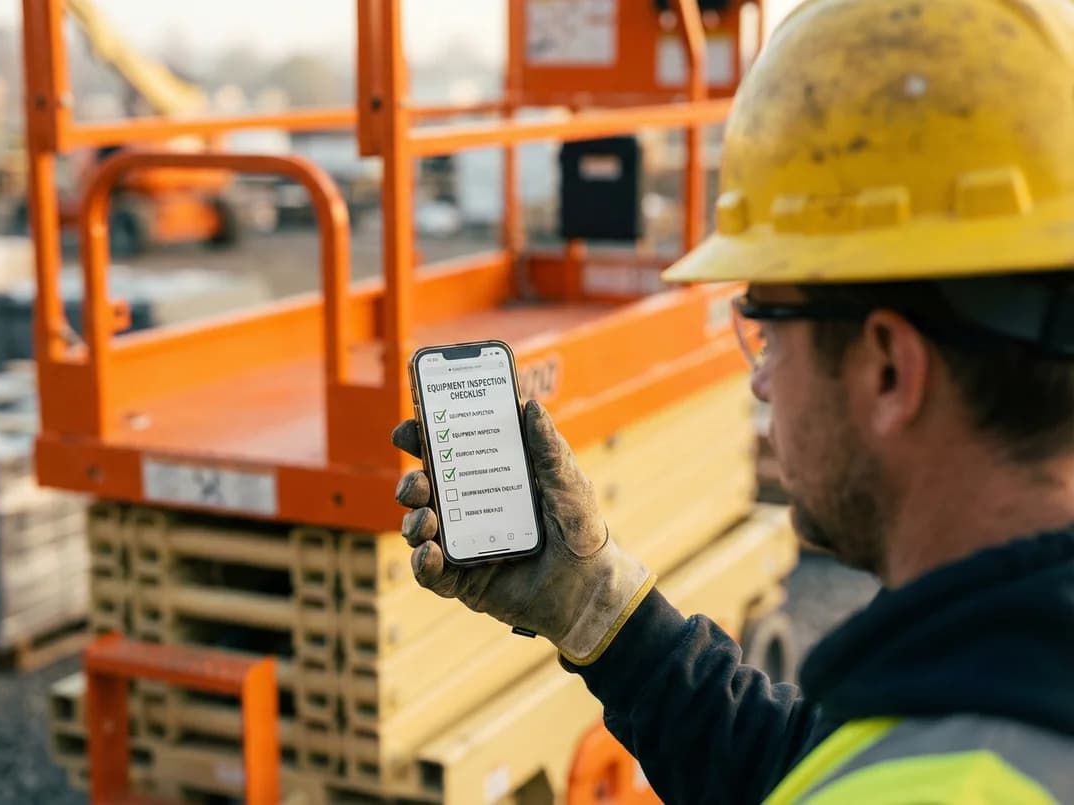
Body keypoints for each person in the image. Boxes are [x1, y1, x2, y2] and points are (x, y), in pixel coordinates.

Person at [392, 0, 1074, 802]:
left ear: (888, 367)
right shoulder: (999, 695)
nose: (758, 377)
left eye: (768, 330)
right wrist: (597, 609)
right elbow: (805, 766)